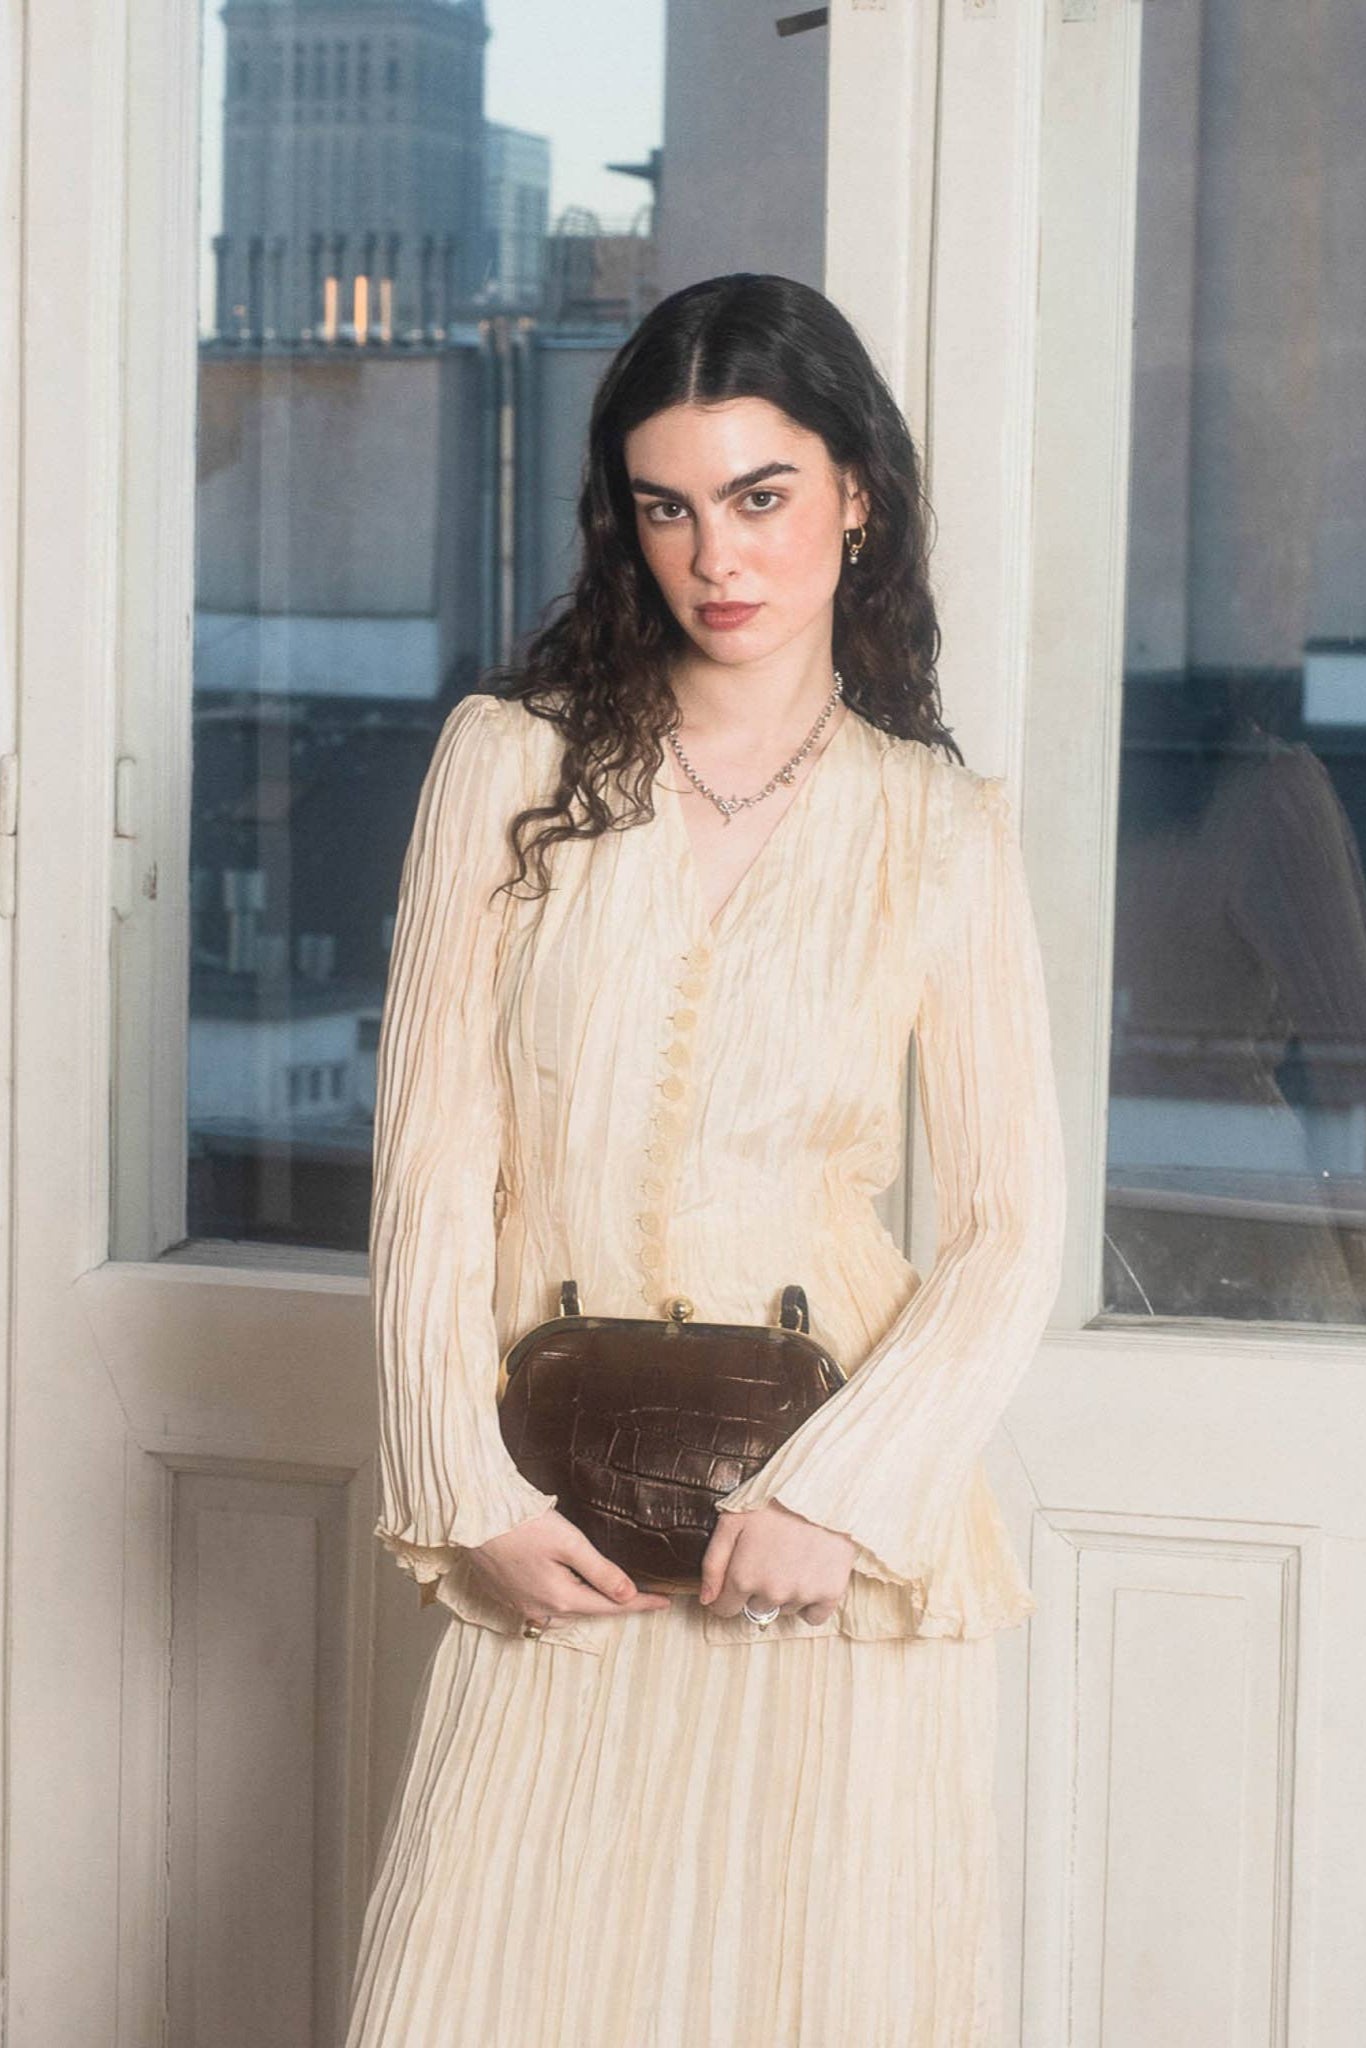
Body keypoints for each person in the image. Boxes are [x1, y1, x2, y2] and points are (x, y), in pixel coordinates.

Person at [344, 272, 1066, 2048]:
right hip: (550, 1523)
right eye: (665, 507)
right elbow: (430, 1170)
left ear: (855, 495)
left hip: (826, 1542)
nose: (715, 556)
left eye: (758, 495)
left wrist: (844, 1497)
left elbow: (1006, 1225)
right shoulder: (507, 766)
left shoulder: (939, 825)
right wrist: (465, 1490)